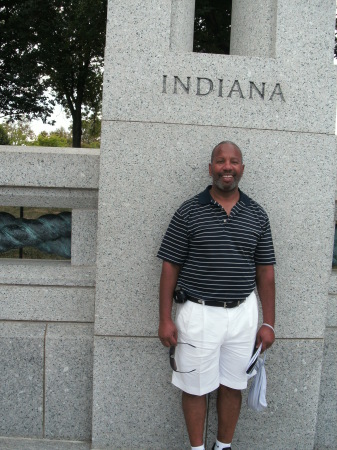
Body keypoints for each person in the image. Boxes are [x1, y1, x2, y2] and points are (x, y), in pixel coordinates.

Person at [157, 141, 276, 450]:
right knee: (195, 387)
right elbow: (170, 266)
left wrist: (269, 324)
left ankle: (223, 447)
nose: (227, 167)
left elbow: (265, 273)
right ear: (210, 168)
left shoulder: (257, 215)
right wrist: (164, 319)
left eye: (233, 161)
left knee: (233, 385)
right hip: (198, 313)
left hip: (243, 315)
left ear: (242, 169)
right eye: (220, 161)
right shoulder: (188, 211)